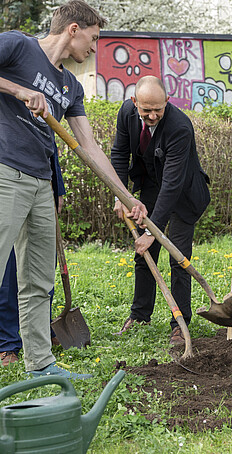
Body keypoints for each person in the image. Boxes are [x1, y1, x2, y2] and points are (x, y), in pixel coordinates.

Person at [0, 0, 147, 379]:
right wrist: (19, 91)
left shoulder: (70, 86)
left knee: (37, 281)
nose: (94, 49)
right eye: (94, 39)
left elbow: (89, 147)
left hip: (41, 184)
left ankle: (42, 364)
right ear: (73, 29)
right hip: (6, 173)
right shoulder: (19, 46)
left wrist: (125, 196)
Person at [111, 75, 211, 345]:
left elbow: (173, 185)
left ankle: (180, 324)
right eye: (146, 110)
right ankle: (140, 315)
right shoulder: (126, 113)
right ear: (134, 103)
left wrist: (153, 232)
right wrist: (121, 195)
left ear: (167, 101)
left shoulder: (180, 127)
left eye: (158, 109)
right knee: (145, 255)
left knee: (178, 255)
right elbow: (119, 154)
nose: (153, 115)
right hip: (153, 187)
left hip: (184, 193)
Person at [0, 144, 65, 367]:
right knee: (9, 272)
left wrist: (58, 189)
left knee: (41, 272)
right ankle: (8, 343)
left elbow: (49, 147)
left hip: (42, 185)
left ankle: (42, 333)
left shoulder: (50, 111)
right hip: (10, 181)